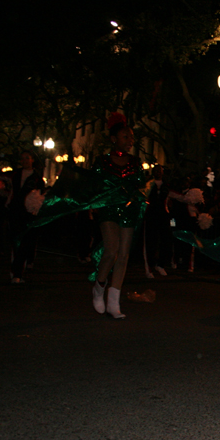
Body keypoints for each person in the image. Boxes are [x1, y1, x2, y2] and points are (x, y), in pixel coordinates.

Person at [90, 113, 146, 319]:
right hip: (108, 209)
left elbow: (140, 183)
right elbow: (94, 186)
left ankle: (114, 301)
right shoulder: (102, 162)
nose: (130, 141)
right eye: (126, 137)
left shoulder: (135, 162)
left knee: (124, 254)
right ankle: (99, 287)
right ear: (114, 138)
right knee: (111, 250)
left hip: (129, 209)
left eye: (131, 137)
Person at [8, 150, 45, 283]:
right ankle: (15, 271)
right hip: (15, 211)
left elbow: (40, 196)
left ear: (32, 160)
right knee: (15, 241)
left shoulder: (37, 178)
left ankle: (18, 272)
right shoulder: (15, 174)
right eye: (22, 158)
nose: (24, 161)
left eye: (27, 158)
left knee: (25, 242)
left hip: (28, 214)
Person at [143, 165, 172, 278]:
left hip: (163, 216)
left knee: (166, 240)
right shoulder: (148, 184)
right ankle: (149, 267)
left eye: (160, 171)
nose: (158, 173)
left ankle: (160, 265)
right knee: (151, 241)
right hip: (151, 216)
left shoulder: (167, 185)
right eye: (156, 171)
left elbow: (176, 195)